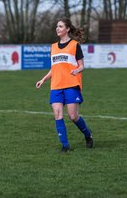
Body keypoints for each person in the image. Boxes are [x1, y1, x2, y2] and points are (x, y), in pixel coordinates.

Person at [36, 18, 93, 152]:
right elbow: (54, 68)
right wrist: (43, 79)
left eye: (60, 26)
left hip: (71, 84)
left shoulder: (74, 45)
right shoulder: (53, 47)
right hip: (56, 85)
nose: (57, 28)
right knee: (57, 115)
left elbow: (81, 65)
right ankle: (65, 145)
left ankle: (88, 134)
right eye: (57, 26)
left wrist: (77, 70)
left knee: (73, 116)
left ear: (67, 29)